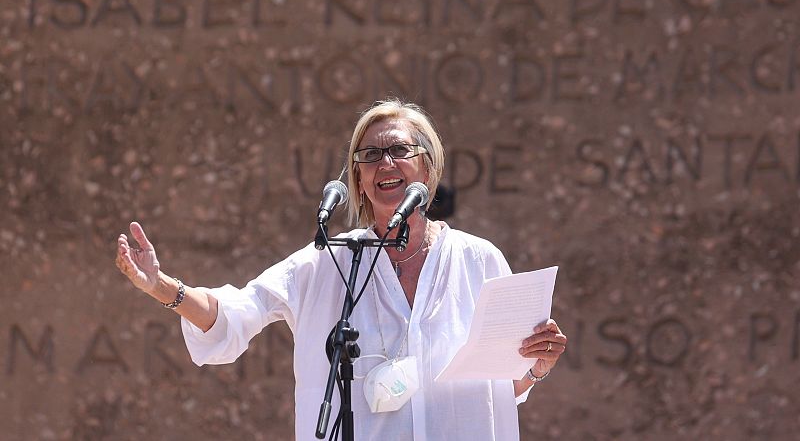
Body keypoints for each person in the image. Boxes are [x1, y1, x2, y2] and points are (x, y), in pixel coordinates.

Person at [115, 99, 567, 440]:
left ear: (427, 167)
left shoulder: (478, 260)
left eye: (399, 150)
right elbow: (236, 311)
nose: (384, 163)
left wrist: (537, 366)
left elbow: (495, 391)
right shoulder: (329, 260)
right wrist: (162, 287)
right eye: (369, 155)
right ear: (359, 180)